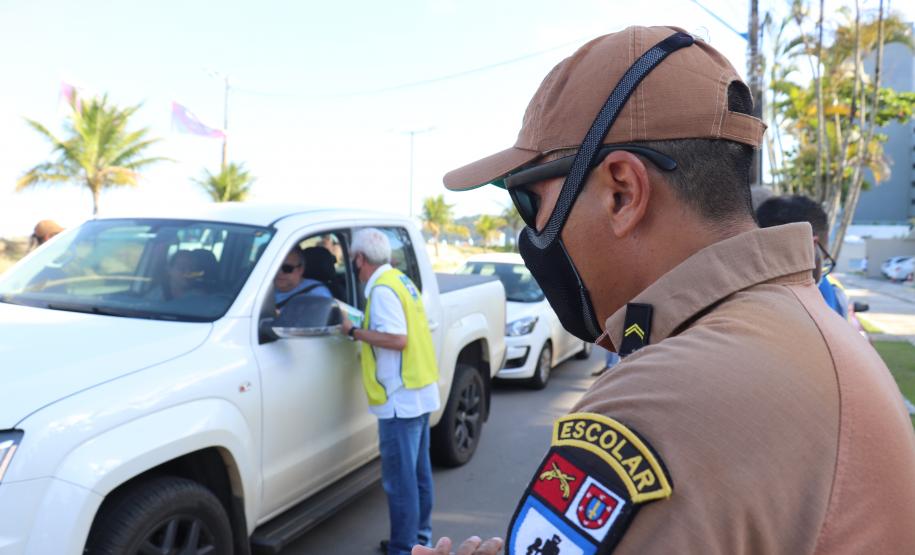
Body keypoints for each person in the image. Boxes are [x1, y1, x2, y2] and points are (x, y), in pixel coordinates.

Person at [417, 26, 915, 555]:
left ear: (622, 193)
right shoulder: (808, 324)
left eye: (529, 202)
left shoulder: (660, 403)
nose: (534, 231)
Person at [339, 228, 440, 555]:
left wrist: (354, 331)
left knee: (401, 482)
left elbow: (398, 339)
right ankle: (420, 541)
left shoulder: (382, 290)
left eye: (353, 261)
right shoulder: (400, 280)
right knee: (419, 476)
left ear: (360, 259)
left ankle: (403, 548)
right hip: (418, 390)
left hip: (400, 399)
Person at [756, 195, 847, 317]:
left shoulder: (738, 304)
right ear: (811, 247)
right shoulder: (829, 303)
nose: (822, 274)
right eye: (824, 258)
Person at [273, 246, 333, 310]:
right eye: (276, 267)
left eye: (287, 268)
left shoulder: (317, 294)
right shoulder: (267, 285)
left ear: (301, 269)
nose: (280, 272)